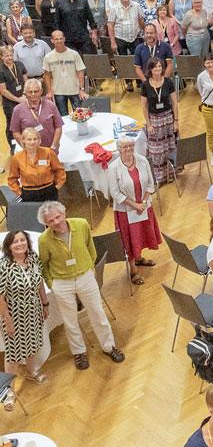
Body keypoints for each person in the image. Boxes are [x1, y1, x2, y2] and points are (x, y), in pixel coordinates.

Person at [37, 201, 125, 369]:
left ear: (64, 213)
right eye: (50, 221)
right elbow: (43, 265)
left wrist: (89, 268)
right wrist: (52, 283)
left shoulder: (81, 224)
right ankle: (79, 353)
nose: (56, 222)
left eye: (58, 216)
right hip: (62, 283)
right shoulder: (44, 240)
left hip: (85, 276)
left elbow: (90, 248)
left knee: (97, 313)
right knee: (70, 320)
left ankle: (109, 346)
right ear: (46, 224)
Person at [0, 231, 49, 389]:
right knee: (13, 353)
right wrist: (7, 321)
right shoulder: (4, 266)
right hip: (13, 314)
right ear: (8, 246)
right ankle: (9, 390)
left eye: (22, 240)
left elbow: (40, 281)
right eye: (15, 242)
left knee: (32, 343)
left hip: (33, 310)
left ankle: (32, 370)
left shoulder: (33, 258)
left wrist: (45, 304)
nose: (20, 244)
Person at [108, 137, 161, 285]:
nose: (129, 149)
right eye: (125, 147)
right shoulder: (113, 168)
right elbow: (115, 193)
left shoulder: (142, 161)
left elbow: (151, 183)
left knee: (141, 235)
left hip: (144, 207)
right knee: (129, 240)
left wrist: (143, 202)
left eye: (131, 145)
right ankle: (133, 271)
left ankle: (139, 259)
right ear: (119, 149)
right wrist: (134, 205)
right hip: (125, 212)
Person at [139, 56, 178, 184]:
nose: (158, 69)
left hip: (167, 118)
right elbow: (144, 106)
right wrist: (148, 124)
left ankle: (171, 172)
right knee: (156, 150)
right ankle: (158, 177)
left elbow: (174, 103)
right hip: (154, 120)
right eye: (155, 67)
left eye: (160, 66)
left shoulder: (168, 82)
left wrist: (176, 120)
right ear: (150, 69)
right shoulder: (145, 85)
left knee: (170, 147)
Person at [7, 126, 65, 201]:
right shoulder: (17, 158)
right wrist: (20, 193)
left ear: (39, 140)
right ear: (23, 140)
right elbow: (12, 179)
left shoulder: (48, 152)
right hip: (29, 194)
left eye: (35, 139)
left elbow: (59, 170)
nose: (32, 142)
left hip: (49, 191)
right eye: (29, 139)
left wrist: (57, 186)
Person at [42, 30, 87, 116]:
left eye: (60, 38)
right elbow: (47, 75)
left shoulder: (74, 54)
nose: (59, 41)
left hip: (74, 90)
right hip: (58, 92)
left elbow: (80, 71)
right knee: (63, 117)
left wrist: (81, 89)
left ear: (64, 39)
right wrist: (49, 91)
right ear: (52, 40)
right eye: (56, 39)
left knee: (80, 115)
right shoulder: (48, 57)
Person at [11, 79, 63, 152]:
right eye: (30, 92)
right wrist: (27, 148)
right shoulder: (17, 110)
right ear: (25, 93)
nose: (33, 94)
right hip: (31, 153)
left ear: (41, 91)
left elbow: (58, 127)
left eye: (36, 91)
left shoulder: (51, 105)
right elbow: (16, 132)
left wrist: (53, 147)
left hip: (51, 150)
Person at [0, 45, 26, 152]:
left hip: (24, 98)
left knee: (25, 121)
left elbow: (26, 80)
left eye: (11, 55)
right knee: (12, 125)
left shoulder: (19, 64)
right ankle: (13, 147)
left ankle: (26, 144)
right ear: (1, 57)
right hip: (10, 103)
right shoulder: (1, 70)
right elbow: (3, 90)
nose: (10, 58)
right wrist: (18, 99)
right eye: (7, 56)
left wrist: (24, 94)